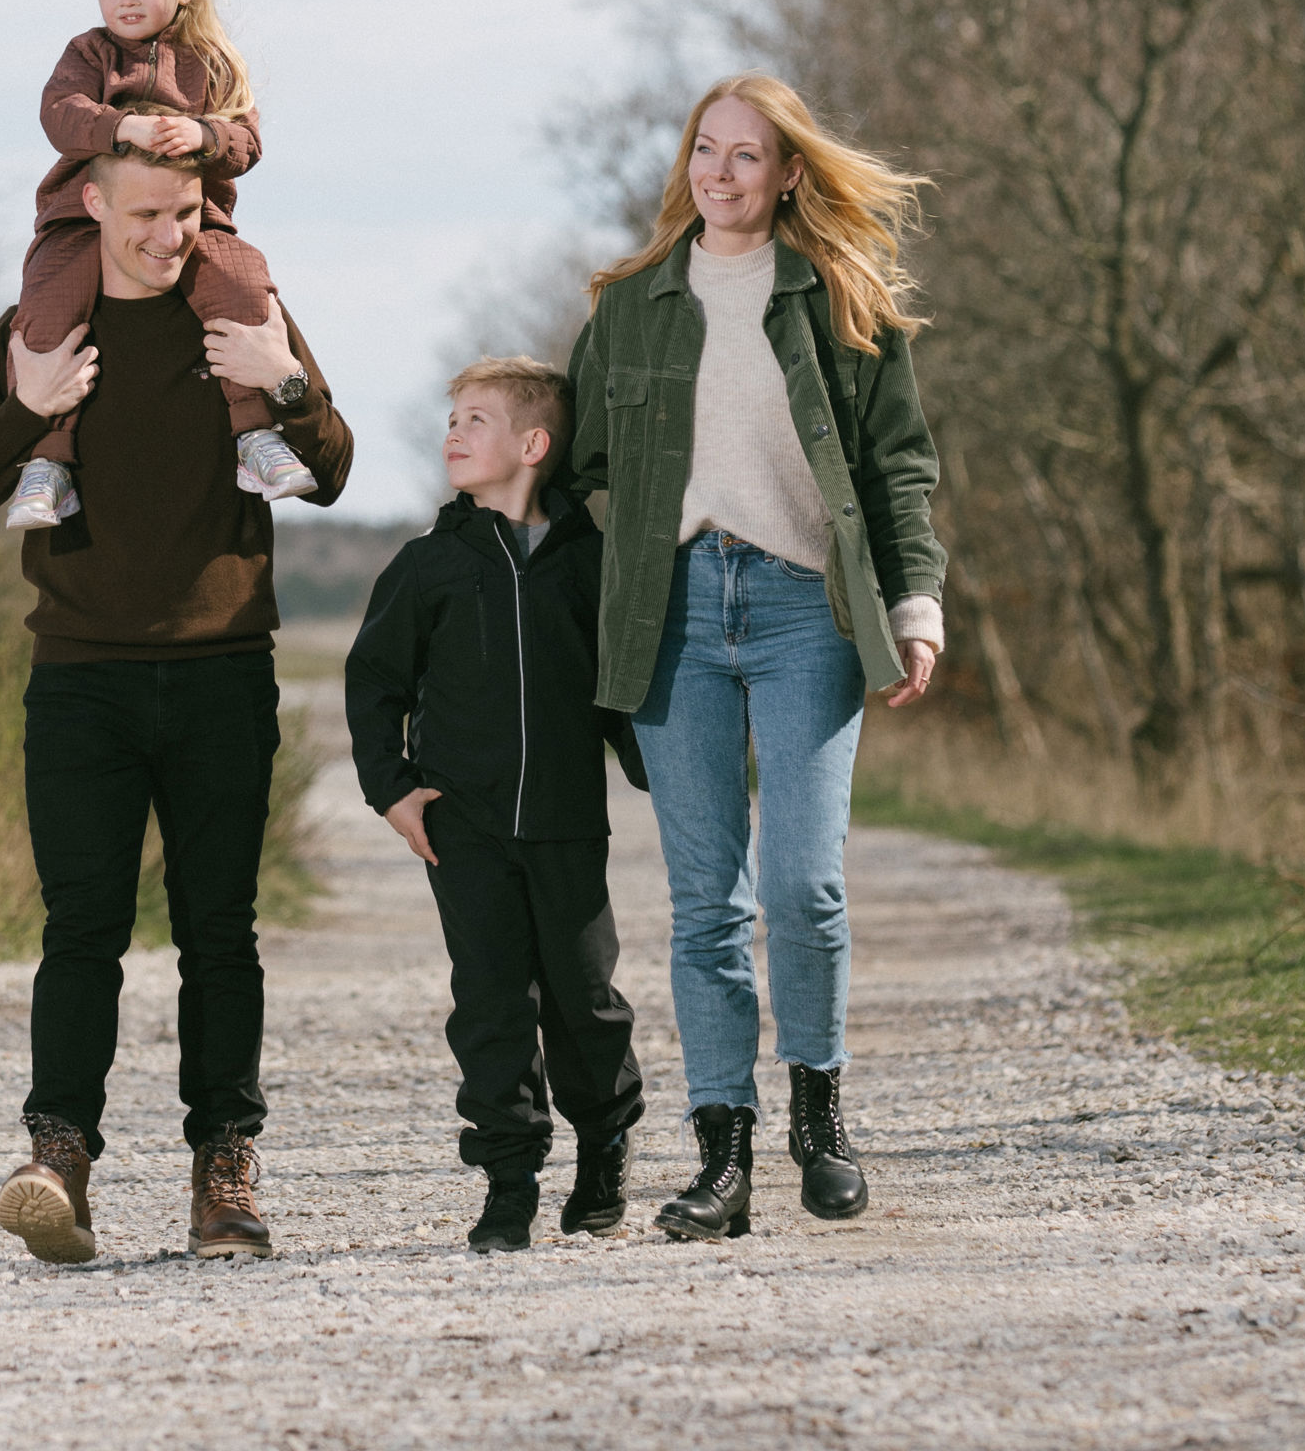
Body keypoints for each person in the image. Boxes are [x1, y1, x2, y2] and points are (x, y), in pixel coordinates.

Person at [0, 123, 353, 1263]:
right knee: (83, 929)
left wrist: (289, 383)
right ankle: (56, 1155)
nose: (170, 238)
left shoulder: (240, 306)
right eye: (145, 219)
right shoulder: (43, 326)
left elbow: (334, 470)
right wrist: (26, 405)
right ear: (92, 213)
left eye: (187, 215)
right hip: (81, 678)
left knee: (221, 932)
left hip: (223, 670)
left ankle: (225, 1170)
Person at [563, 75, 945, 1242]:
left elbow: (898, 465)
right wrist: (627, 559)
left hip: (803, 611)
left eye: (747, 156)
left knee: (802, 885)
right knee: (705, 907)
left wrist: (917, 599)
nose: (720, 174)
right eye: (705, 152)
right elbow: (581, 459)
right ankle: (720, 1158)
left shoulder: (834, 295)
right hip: (673, 611)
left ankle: (818, 1118)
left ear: (788, 174)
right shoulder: (632, 306)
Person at [344, 358, 648, 1254]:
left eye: (475, 419)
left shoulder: (593, 565)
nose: (453, 433)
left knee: (585, 999)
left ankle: (604, 1148)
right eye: (452, 418)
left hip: (564, 824)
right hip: (463, 829)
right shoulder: (429, 565)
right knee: (490, 1002)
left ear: (533, 444)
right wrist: (393, 791)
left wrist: (671, 774)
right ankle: (509, 1180)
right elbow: (374, 683)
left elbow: (623, 689)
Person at [2, 0, 312, 532]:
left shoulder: (211, 61)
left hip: (211, 229)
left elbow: (246, 140)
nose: (128, 0)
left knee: (243, 282)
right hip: (73, 232)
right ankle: (47, 462)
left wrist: (202, 133)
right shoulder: (89, 55)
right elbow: (59, 114)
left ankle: (254, 438)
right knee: (49, 303)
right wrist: (122, 127)